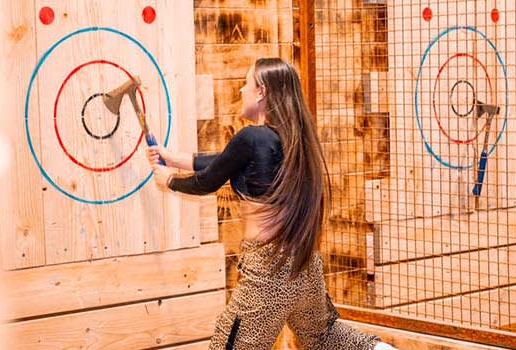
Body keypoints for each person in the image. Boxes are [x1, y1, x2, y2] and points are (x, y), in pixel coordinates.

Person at [147, 58, 397, 350]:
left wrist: (169, 181)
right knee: (325, 336)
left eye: (246, 83)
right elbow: (226, 161)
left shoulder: (251, 137)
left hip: (268, 271)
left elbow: (208, 181)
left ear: (261, 92)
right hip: (304, 266)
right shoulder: (292, 140)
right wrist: (174, 158)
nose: (241, 89)